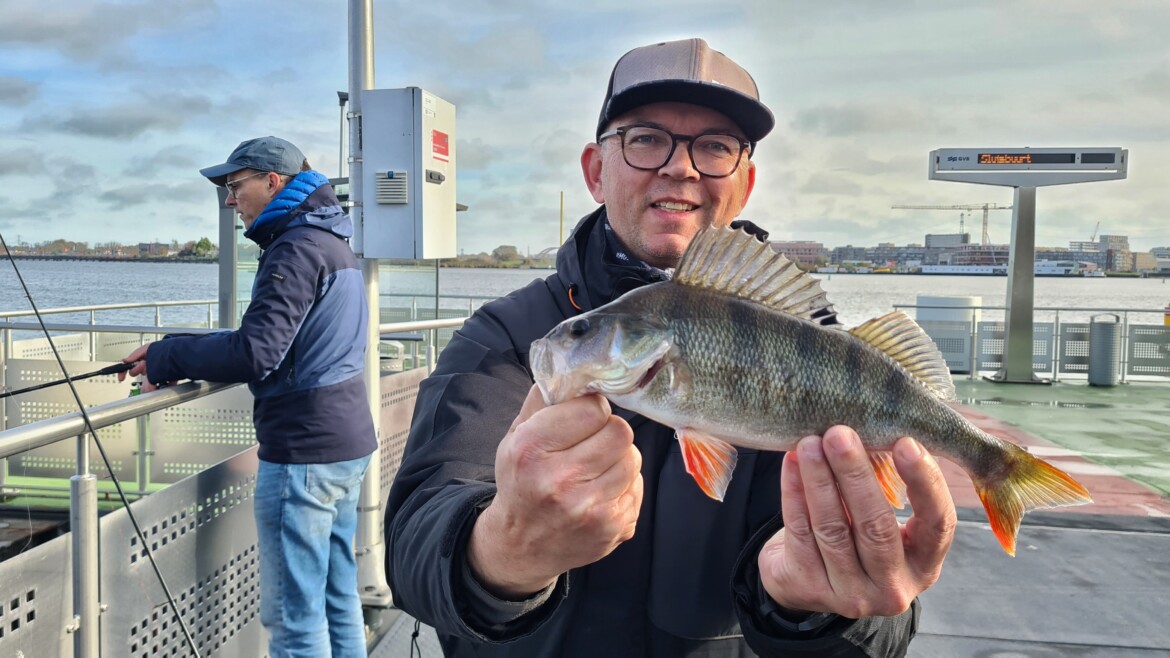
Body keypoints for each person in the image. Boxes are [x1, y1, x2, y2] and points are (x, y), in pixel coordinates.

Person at [384, 39, 957, 656]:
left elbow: (875, 634)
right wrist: (501, 551)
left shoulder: (810, 349)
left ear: (745, 183)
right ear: (595, 171)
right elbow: (414, 544)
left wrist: (823, 609)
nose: (681, 167)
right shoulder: (504, 336)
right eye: (646, 138)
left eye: (715, 146)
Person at [121, 136, 377, 658]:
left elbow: (257, 351)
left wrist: (169, 356)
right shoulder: (332, 241)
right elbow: (279, 342)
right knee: (338, 598)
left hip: (304, 453)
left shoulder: (295, 248)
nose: (229, 199)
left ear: (272, 182)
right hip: (345, 443)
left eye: (236, 186)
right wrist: (172, 353)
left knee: (294, 619)